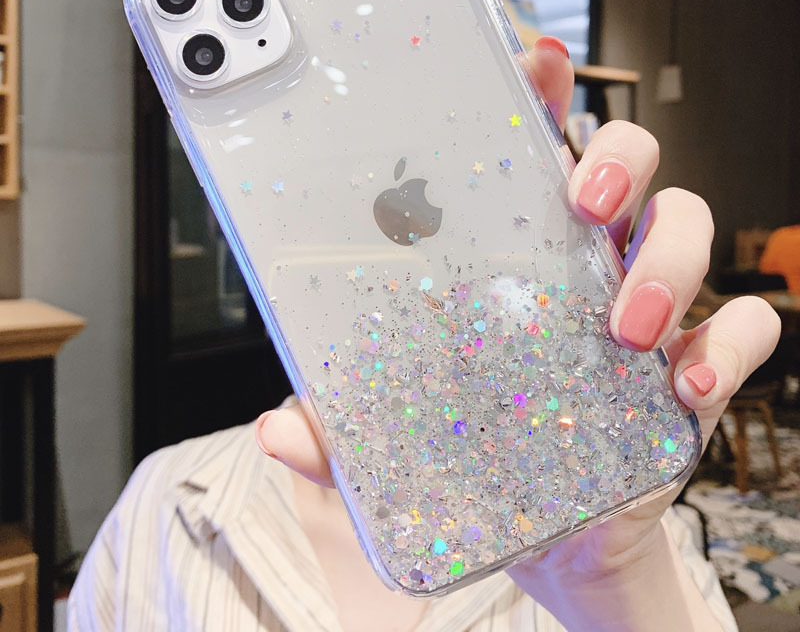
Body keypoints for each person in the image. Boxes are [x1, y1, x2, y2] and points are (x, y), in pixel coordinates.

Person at [68, 37, 780, 631]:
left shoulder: (627, 538)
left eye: (464, 163)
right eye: (340, 170)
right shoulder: (167, 505)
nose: (410, 235)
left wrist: (613, 591)